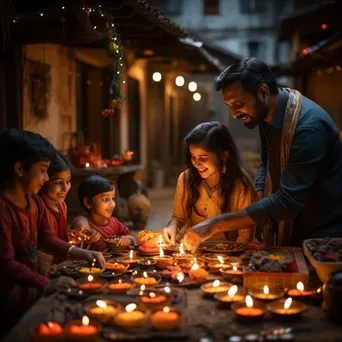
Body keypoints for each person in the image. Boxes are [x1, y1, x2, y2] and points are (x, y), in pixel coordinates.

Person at [184, 58, 342, 251]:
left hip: (321, 237)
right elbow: (266, 165)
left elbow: (288, 200)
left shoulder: (307, 127)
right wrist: (259, 203)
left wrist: (215, 224)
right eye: (229, 106)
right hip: (292, 229)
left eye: (239, 103)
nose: (234, 114)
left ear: (264, 92)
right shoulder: (269, 117)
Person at [0, 129, 105, 337]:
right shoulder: (4, 209)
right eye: (42, 170)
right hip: (8, 297)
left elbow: (46, 237)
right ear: (20, 168)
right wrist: (47, 284)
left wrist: (81, 252)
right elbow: (7, 264)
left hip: (32, 288)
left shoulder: (33, 202)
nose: (46, 178)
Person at [162, 121, 257, 245]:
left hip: (229, 256)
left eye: (203, 158)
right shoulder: (186, 178)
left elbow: (245, 237)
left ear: (224, 156)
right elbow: (178, 217)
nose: (196, 163)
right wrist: (173, 227)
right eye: (193, 156)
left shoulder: (241, 185)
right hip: (194, 253)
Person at [71, 175, 135, 251]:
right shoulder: (83, 223)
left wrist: (127, 239)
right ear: (88, 202)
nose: (113, 204)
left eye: (113, 198)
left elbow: (132, 237)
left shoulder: (114, 222)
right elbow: (76, 250)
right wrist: (95, 240)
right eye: (105, 199)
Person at [37, 152, 72, 275]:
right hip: (44, 269)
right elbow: (48, 239)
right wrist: (75, 251)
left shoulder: (62, 205)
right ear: (44, 180)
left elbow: (62, 237)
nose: (65, 188)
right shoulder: (39, 206)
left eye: (68, 181)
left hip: (62, 265)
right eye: (58, 183)